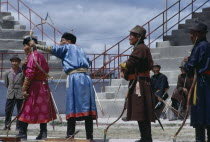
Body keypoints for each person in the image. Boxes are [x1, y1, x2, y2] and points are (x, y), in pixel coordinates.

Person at [30, 32, 97, 141]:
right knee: (87, 107)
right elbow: (88, 62)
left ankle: (70, 135)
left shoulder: (68, 47)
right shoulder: (81, 50)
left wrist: (36, 45)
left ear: (69, 41)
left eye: (62, 41)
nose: (60, 43)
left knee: (72, 105)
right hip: (86, 78)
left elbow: (52, 49)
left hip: (75, 78)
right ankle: (90, 137)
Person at [16, 37, 57, 140]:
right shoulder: (40, 56)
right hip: (43, 86)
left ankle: (22, 132)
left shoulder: (32, 56)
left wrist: (24, 89)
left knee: (26, 108)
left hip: (34, 87)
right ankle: (43, 133)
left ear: (29, 46)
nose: (24, 48)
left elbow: (29, 74)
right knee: (43, 110)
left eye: (25, 46)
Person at [120, 25, 155, 142]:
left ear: (138, 37)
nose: (129, 38)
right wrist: (125, 73)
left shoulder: (140, 48)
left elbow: (132, 61)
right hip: (139, 82)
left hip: (141, 84)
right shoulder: (139, 47)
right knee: (141, 112)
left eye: (131, 35)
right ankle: (145, 138)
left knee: (142, 112)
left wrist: (123, 66)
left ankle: (146, 138)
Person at [184, 21, 210, 142]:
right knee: (207, 113)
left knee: (201, 112)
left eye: (192, 33)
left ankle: (200, 140)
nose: (190, 36)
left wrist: (187, 64)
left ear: (199, 34)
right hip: (206, 82)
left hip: (202, 84)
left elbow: (192, 65)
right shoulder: (206, 45)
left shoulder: (200, 46)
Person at [3, 55, 24, 131]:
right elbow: (6, 84)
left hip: (19, 94)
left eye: (16, 61)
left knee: (20, 111)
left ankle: (18, 127)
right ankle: (7, 125)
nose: (14, 63)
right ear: (11, 62)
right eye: (13, 61)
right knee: (8, 110)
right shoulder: (7, 73)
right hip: (10, 94)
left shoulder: (22, 73)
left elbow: (24, 83)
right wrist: (10, 89)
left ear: (19, 63)